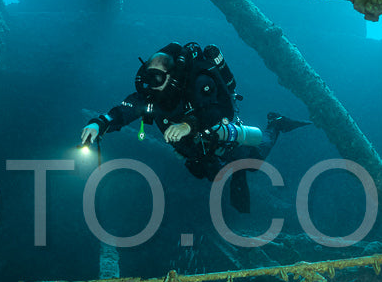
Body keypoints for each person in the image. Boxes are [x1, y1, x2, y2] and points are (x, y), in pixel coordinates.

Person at [79, 41, 309, 213]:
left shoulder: (199, 82)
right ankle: (233, 169)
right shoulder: (151, 94)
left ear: (173, 75)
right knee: (209, 173)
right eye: (147, 78)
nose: (150, 86)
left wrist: (188, 125)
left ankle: (275, 124)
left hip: (220, 138)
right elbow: (125, 109)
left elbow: (215, 113)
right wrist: (99, 123)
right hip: (197, 148)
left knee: (253, 164)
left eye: (157, 79)